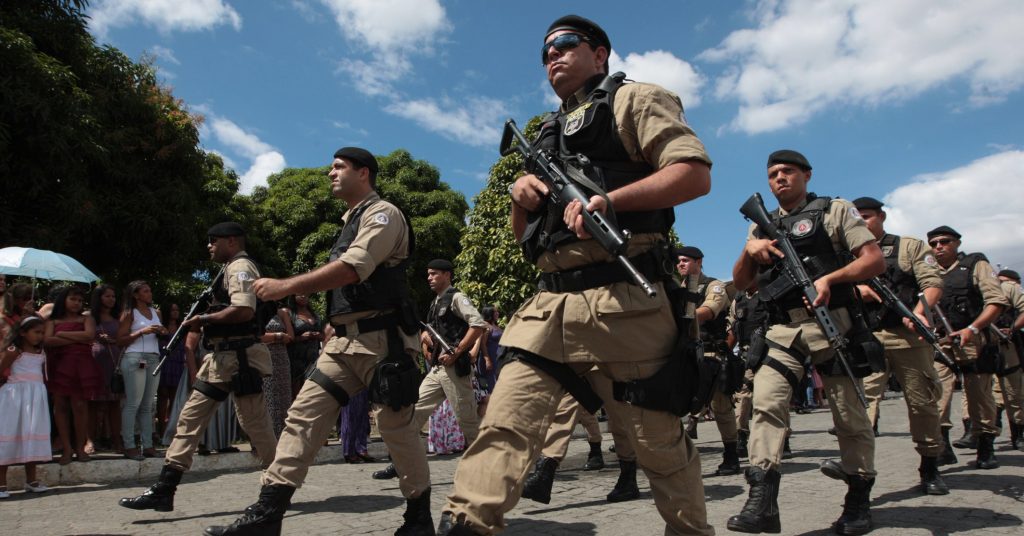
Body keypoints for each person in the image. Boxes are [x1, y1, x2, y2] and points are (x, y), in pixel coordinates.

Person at [438, 14, 714, 536]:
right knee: (504, 424)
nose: (553, 57)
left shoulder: (636, 100)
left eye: (565, 45)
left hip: (624, 300)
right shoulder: (544, 132)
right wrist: (521, 200)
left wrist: (610, 201)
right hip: (549, 307)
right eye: (545, 52)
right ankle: (466, 522)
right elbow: (527, 243)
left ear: (601, 53)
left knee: (658, 444)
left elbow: (693, 174)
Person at [203, 148, 431, 536]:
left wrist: (283, 287)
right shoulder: (349, 222)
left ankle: (419, 518)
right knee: (302, 418)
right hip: (342, 344)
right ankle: (267, 513)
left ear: (364, 173)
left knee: (397, 429)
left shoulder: (383, 214)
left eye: (339, 167)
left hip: (383, 343)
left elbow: (351, 269)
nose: (331, 173)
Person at [728, 150, 885, 535]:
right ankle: (761, 501)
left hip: (834, 325)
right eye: (773, 174)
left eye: (789, 171)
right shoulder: (761, 225)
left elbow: (873, 260)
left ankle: (858, 499)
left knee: (849, 417)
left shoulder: (833, 210)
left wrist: (830, 280)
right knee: (765, 406)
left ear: (807, 175)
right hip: (782, 330)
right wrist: (750, 250)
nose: (780, 178)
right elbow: (743, 282)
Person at [119, 222, 279, 514]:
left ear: (231, 241)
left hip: (241, 357)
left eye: (213, 240)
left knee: (255, 424)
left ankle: (280, 487)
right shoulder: (227, 267)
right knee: (189, 419)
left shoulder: (240, 267)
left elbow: (244, 309)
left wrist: (203, 321)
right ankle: (165, 489)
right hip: (221, 359)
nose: (209, 246)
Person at [815, 196, 949, 495]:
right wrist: (856, 286)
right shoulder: (846, 253)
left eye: (866, 217)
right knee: (861, 402)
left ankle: (930, 466)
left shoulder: (908, 246)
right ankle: (858, 470)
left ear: (881, 217)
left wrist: (918, 311)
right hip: (864, 336)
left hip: (906, 336)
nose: (861, 223)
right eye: (857, 217)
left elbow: (932, 283)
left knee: (922, 403)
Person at [372, 259, 486, 481]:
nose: (429, 278)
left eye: (434, 274)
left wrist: (458, 350)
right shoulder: (435, 302)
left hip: (454, 369)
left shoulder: (456, 297)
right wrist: (427, 337)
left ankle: (491, 465)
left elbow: (478, 324)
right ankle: (399, 462)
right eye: (428, 274)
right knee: (412, 415)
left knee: (468, 422)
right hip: (437, 369)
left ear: (447, 275)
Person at [928, 225, 1008, 470]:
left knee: (979, 396)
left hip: (972, 338)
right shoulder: (929, 272)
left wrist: (973, 329)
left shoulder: (974, 265)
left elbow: (996, 301)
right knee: (936, 394)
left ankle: (985, 445)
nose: (939, 247)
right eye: (933, 243)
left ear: (957, 243)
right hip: (941, 341)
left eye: (945, 241)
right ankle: (943, 448)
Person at [677, 245, 743, 476]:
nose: (681, 264)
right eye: (679, 261)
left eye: (685, 260)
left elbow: (708, 310)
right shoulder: (676, 289)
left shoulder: (714, 286)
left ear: (699, 262)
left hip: (712, 355)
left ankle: (731, 454)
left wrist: (682, 318)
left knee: (721, 407)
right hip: (686, 356)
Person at [44, 286, 101, 465]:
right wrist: (76, 337)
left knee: (79, 406)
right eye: (72, 299)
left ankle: (80, 446)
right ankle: (67, 448)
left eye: (79, 300)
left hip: (81, 365)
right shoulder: (52, 320)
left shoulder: (87, 318)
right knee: (60, 405)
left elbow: (89, 335)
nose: (76, 303)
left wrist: (63, 334)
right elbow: (47, 340)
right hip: (59, 364)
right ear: (64, 300)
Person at [0, 316, 52, 499]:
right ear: (22, 332)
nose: (40, 336)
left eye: (42, 332)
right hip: (15, 398)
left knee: (31, 435)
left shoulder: (41, 351)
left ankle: (31, 480)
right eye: (36, 332)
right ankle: (1, 483)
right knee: (9, 436)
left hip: (36, 397)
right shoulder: (14, 350)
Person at [116, 281, 167, 460]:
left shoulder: (156, 312)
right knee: (133, 403)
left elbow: (162, 334)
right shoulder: (130, 313)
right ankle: (129, 445)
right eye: (146, 291)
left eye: (150, 290)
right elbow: (120, 340)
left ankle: (148, 445)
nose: (149, 293)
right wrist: (142, 332)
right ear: (136, 295)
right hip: (134, 357)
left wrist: (162, 331)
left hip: (154, 357)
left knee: (148, 405)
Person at [90, 284, 124, 454]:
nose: (111, 299)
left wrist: (112, 341)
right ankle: (90, 439)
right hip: (95, 361)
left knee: (114, 403)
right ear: (98, 298)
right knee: (94, 404)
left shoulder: (119, 318)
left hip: (114, 361)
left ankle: (116, 440)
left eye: (113, 296)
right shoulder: (89, 317)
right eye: (107, 296)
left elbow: (124, 340)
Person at [993, 269, 1023, 450]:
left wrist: (1011, 328)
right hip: (983, 344)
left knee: (1013, 392)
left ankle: (1018, 433)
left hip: (1008, 345)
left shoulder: (1011, 290)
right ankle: (981, 434)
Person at [261, 303, 294, 438]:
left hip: (281, 358)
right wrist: (278, 336)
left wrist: (273, 337)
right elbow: (257, 337)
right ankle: (267, 438)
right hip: (263, 357)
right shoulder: (255, 312)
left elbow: (290, 337)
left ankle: (284, 437)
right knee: (266, 398)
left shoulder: (282, 313)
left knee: (284, 398)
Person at [157, 303, 185, 443]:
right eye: (172, 310)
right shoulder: (161, 326)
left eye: (177, 309)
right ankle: (161, 428)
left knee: (175, 397)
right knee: (163, 395)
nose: (175, 312)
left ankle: (172, 429)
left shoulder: (183, 327)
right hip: (164, 361)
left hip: (178, 362)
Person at [286, 294, 322, 399]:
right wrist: (301, 338)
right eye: (299, 294)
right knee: (297, 394)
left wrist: (317, 335)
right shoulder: (289, 314)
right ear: (293, 296)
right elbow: (288, 338)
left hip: (313, 357)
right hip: (296, 357)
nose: (303, 295)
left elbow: (324, 335)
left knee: (313, 391)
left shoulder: (315, 314)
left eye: (306, 293)